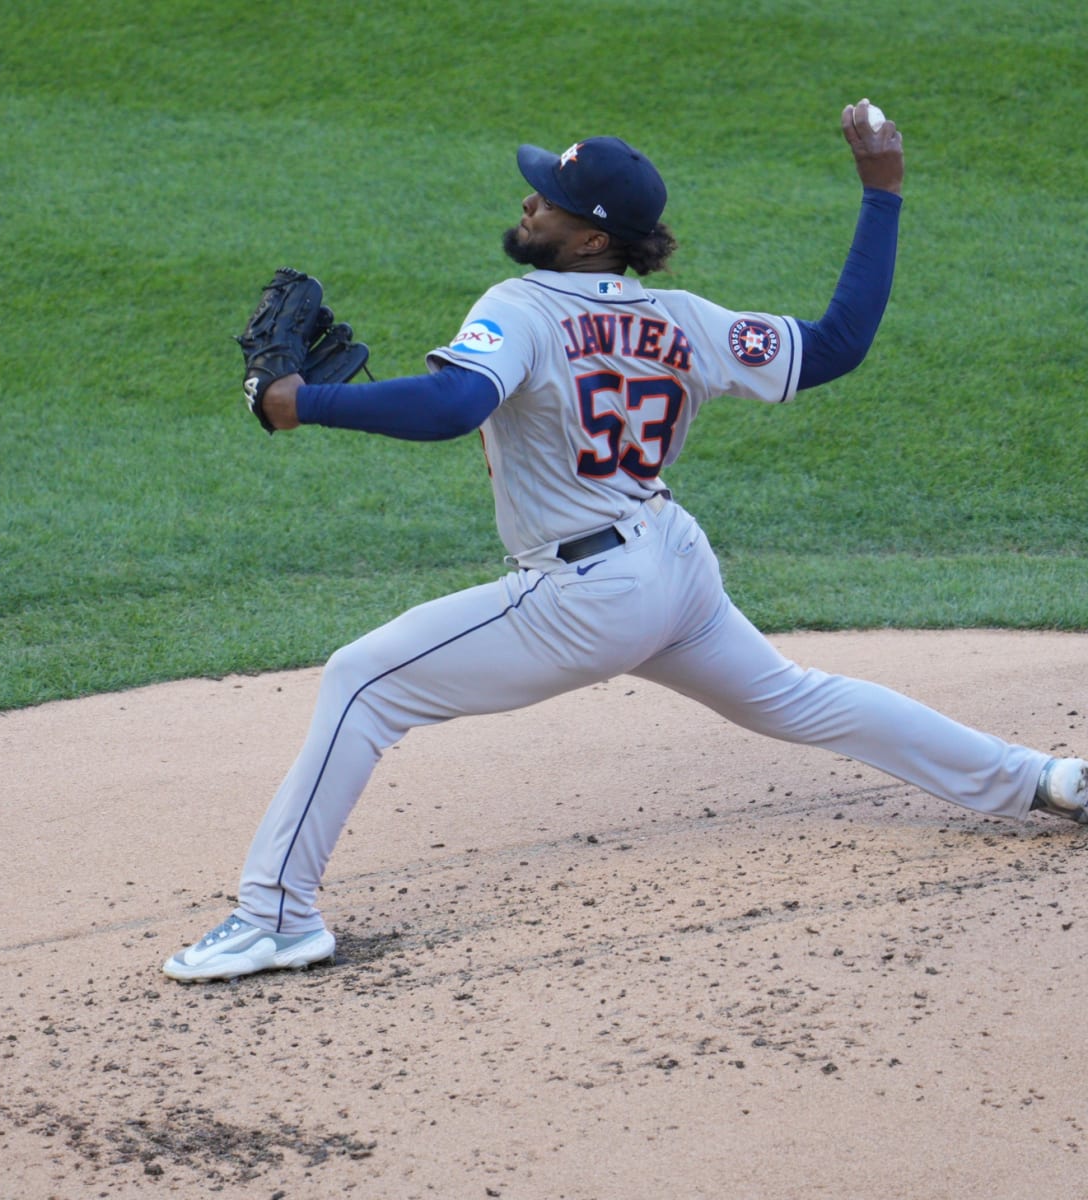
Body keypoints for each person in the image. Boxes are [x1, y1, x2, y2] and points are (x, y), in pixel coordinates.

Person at [164, 100, 1086, 983]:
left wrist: (298, 403)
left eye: (548, 201)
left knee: (360, 681)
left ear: (594, 236)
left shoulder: (520, 305)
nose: (528, 204)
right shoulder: (681, 319)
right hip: (672, 565)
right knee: (798, 700)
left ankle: (276, 915)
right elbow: (838, 343)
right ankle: (1045, 780)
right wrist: (881, 191)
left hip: (588, 594)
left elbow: (453, 405)